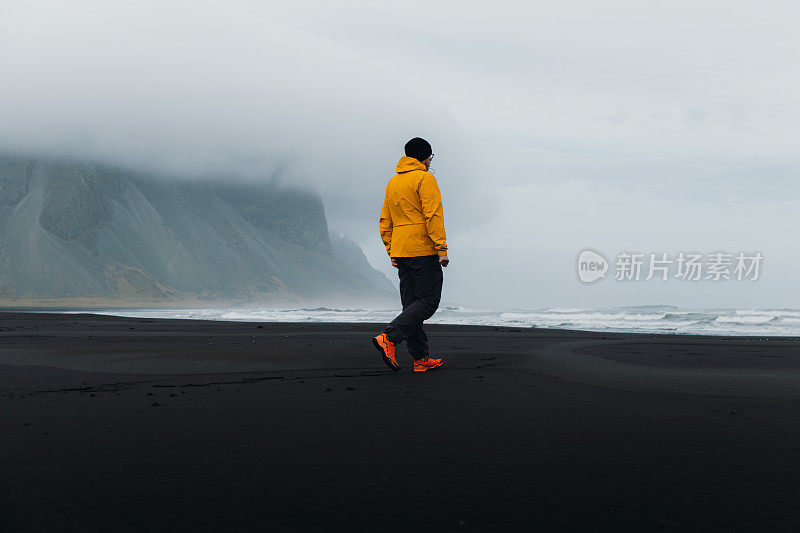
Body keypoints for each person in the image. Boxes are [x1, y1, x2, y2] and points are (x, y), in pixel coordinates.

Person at [372, 137, 449, 373]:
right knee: (428, 301)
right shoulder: (425, 179)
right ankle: (389, 338)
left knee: (412, 306)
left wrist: (391, 251)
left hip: (401, 251)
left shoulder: (393, 182)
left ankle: (420, 358)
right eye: (430, 158)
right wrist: (441, 249)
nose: (429, 162)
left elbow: (385, 221)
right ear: (425, 157)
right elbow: (433, 215)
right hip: (422, 249)